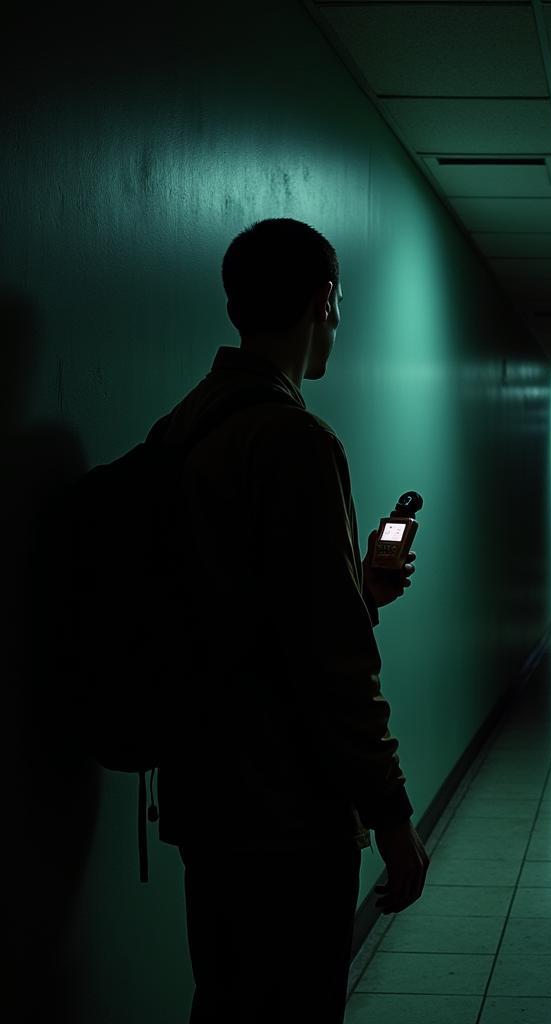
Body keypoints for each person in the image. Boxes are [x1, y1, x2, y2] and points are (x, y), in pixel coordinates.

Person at [153, 218, 429, 1022]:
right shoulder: (295, 441)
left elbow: (241, 608)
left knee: (227, 999)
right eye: (337, 307)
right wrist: (393, 813)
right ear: (325, 301)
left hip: (204, 797)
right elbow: (331, 662)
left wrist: (359, 592)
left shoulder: (185, 426)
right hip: (287, 812)